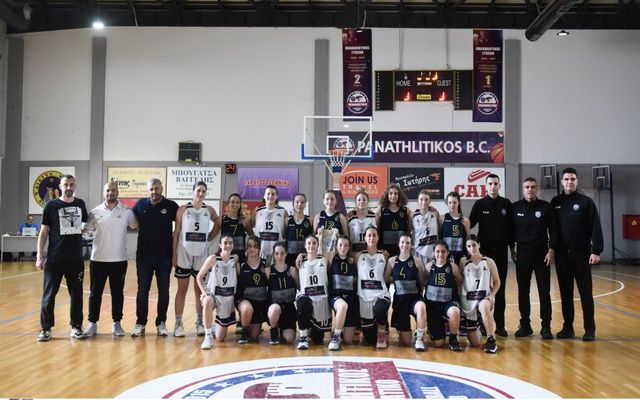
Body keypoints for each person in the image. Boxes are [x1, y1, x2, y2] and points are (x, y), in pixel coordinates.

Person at [550, 167, 603, 341]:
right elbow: (553, 229)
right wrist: (551, 249)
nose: (569, 182)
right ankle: (568, 328)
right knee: (565, 294)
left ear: (577, 181)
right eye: (566, 179)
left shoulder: (586, 202)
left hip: (581, 254)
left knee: (585, 293)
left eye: (572, 179)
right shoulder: (555, 202)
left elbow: (595, 227)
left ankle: (590, 329)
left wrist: (596, 251)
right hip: (562, 256)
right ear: (562, 182)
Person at [36, 174, 89, 341]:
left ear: (75, 186)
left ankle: (76, 326)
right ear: (60, 186)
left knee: (77, 295)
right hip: (54, 259)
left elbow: (85, 225)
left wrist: (87, 229)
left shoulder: (80, 204)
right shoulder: (51, 205)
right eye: (65, 184)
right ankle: (46, 329)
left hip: (75, 259)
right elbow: (44, 232)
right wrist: (39, 256)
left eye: (71, 184)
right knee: (49, 295)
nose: (68, 187)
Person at [83, 182, 138, 338]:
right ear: (104, 192)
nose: (110, 192)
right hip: (98, 259)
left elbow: (137, 226)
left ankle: (117, 323)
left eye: (113, 190)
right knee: (95, 294)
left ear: (117, 192)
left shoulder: (126, 211)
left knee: (117, 294)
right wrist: (84, 230)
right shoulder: (94, 212)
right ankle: (92, 324)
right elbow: (86, 234)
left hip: (119, 260)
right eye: (108, 190)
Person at [172, 181, 220, 338]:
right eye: (198, 190)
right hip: (184, 253)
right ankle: (178, 323)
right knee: (182, 289)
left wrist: (210, 237)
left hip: (201, 254)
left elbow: (218, 222)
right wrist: (174, 253)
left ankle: (199, 323)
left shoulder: (209, 210)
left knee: (200, 289)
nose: (201, 193)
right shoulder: (183, 209)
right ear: (193, 191)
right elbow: (176, 232)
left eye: (203, 191)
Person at [131, 178, 178, 337]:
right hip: (144, 256)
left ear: (161, 188)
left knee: (164, 291)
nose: (154, 192)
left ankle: (161, 322)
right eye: (151, 189)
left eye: (156, 188)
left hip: (164, 256)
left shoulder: (171, 206)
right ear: (148, 189)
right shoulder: (140, 205)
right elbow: (132, 221)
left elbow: (180, 226)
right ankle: (140, 323)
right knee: (142, 290)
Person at [469, 174, 514, 337]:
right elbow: (468, 224)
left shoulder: (506, 204)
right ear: (486, 186)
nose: (493, 186)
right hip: (484, 254)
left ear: (499, 186)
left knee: (499, 288)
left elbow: (512, 229)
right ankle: (481, 324)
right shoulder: (480, 204)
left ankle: (500, 325)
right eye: (490, 184)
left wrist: (513, 249)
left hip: (501, 253)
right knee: (482, 289)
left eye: (495, 183)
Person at [512, 177, 554, 339]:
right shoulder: (515, 207)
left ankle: (546, 326)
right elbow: (510, 231)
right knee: (523, 291)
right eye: (527, 187)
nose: (530, 189)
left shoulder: (545, 207)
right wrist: (512, 249)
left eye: (533, 187)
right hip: (522, 254)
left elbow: (553, 230)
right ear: (523, 189)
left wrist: (551, 250)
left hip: (542, 254)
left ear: (537, 189)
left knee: (544, 291)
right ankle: (525, 325)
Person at [459, 235, 501, 353]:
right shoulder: (463, 262)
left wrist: (492, 295)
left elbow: (497, 281)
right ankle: (479, 326)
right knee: (475, 343)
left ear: (479, 245)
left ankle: (491, 339)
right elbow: (461, 281)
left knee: (484, 306)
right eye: (469, 246)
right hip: (469, 301)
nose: (472, 248)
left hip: (484, 297)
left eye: (474, 245)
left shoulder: (489, 262)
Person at [385, 233, 428, 351]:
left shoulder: (417, 261)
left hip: (414, 298)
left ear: (411, 245)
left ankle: (419, 338)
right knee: (406, 342)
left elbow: (422, 281)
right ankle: (402, 330)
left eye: (408, 243)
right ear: (398, 244)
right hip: (400, 301)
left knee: (421, 307)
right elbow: (385, 279)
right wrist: (397, 279)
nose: (405, 245)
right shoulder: (391, 261)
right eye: (402, 242)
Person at [197, 235, 240, 349]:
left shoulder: (235, 258)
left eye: (230, 243)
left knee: (220, 338)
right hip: (213, 294)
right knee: (207, 301)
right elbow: (199, 277)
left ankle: (215, 325)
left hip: (226, 297)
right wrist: (204, 293)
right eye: (225, 243)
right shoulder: (213, 259)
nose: (228, 245)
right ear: (220, 245)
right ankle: (207, 336)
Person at [424, 241, 463, 352]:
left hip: (448, 302)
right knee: (438, 344)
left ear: (448, 252)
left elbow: (460, 281)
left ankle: (453, 338)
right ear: (434, 253)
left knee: (455, 312)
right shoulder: (428, 266)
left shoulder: (453, 267)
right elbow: (423, 282)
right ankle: (438, 327)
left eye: (443, 251)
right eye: (437, 251)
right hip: (433, 305)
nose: (440, 254)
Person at [357, 226, 391, 349]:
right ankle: (381, 325)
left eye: (374, 235)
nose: (372, 238)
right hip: (364, 297)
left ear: (378, 238)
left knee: (379, 309)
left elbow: (386, 277)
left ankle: (382, 333)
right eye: (369, 235)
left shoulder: (385, 255)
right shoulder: (358, 256)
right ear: (365, 238)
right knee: (370, 340)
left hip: (381, 294)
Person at [296, 235, 332, 350]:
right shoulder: (300, 262)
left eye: (314, 243)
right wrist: (301, 255)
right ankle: (303, 337)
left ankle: (310, 327)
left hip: (320, 300)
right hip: (306, 299)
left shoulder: (324, 260)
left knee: (317, 339)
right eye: (309, 243)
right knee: (301, 303)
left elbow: (331, 253)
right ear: (305, 246)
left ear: (317, 245)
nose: (311, 245)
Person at [326, 235, 359, 351]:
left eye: (345, 245)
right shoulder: (332, 258)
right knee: (342, 306)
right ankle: (336, 337)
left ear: (349, 247)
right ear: (336, 246)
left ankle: (340, 328)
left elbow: (357, 277)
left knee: (349, 340)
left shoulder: (353, 260)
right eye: (340, 245)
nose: (343, 248)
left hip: (351, 297)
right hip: (336, 296)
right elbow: (323, 251)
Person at [235, 235, 269, 343]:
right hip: (245, 300)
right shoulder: (241, 264)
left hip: (260, 303)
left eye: (255, 246)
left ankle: (249, 323)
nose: (252, 249)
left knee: (254, 336)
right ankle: (244, 331)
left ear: (259, 248)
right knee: (246, 309)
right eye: (249, 246)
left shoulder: (265, 264)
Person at [267, 241, 299, 345]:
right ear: (273, 255)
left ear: (286, 254)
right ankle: (274, 330)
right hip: (275, 307)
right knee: (274, 309)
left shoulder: (292, 270)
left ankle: (282, 329)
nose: (279, 256)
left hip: (289, 309)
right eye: (276, 253)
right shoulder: (268, 271)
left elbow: (300, 288)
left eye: (282, 253)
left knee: (289, 339)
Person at [251, 185, 287, 266]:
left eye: (273, 194)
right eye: (268, 194)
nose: (270, 196)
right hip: (260, 252)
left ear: (277, 197)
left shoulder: (283, 211)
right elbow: (251, 227)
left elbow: (286, 231)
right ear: (264, 196)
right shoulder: (257, 210)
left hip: (277, 254)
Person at [375, 183, 412, 257]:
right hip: (384, 249)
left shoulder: (406, 210)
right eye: (391, 193)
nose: (393, 196)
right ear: (387, 195)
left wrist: (430, 209)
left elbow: (410, 228)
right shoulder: (380, 210)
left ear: (399, 195)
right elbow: (375, 229)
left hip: (401, 248)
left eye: (395, 194)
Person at [439, 191, 470, 265]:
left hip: (461, 255)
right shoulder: (442, 218)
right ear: (447, 203)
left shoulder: (465, 220)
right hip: (445, 254)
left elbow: (469, 239)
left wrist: (469, 254)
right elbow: (439, 237)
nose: (452, 205)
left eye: (454, 202)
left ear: (458, 203)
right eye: (449, 202)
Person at [313, 190, 348, 255]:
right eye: (327, 199)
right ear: (323, 201)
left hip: (336, 253)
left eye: (332, 199)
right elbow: (313, 237)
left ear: (336, 201)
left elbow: (346, 237)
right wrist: (318, 234)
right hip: (321, 253)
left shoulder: (341, 217)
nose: (329, 201)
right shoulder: (318, 216)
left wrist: (338, 235)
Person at [221, 193, 250, 264]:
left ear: (240, 205)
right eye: (233, 202)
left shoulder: (244, 220)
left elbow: (252, 235)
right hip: (226, 257)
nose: (235, 204)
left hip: (240, 258)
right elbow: (212, 236)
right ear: (228, 204)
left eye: (237, 202)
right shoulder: (222, 220)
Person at [347, 189, 377, 258]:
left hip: (369, 253)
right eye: (359, 200)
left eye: (364, 199)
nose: (361, 201)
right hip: (353, 254)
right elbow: (347, 235)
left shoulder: (374, 216)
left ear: (367, 201)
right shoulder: (350, 217)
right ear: (356, 202)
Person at [413, 190, 440, 265]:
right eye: (421, 199)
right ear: (418, 201)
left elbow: (439, 231)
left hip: (432, 253)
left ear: (430, 201)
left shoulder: (435, 214)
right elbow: (408, 232)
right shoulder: (413, 216)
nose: (424, 202)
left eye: (426, 199)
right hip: (418, 252)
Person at [286, 193, 313, 267]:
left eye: (302, 202)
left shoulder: (310, 220)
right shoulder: (287, 220)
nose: (299, 204)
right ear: (293, 204)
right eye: (297, 202)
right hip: (290, 257)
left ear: (305, 204)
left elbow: (312, 239)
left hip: (305, 256)